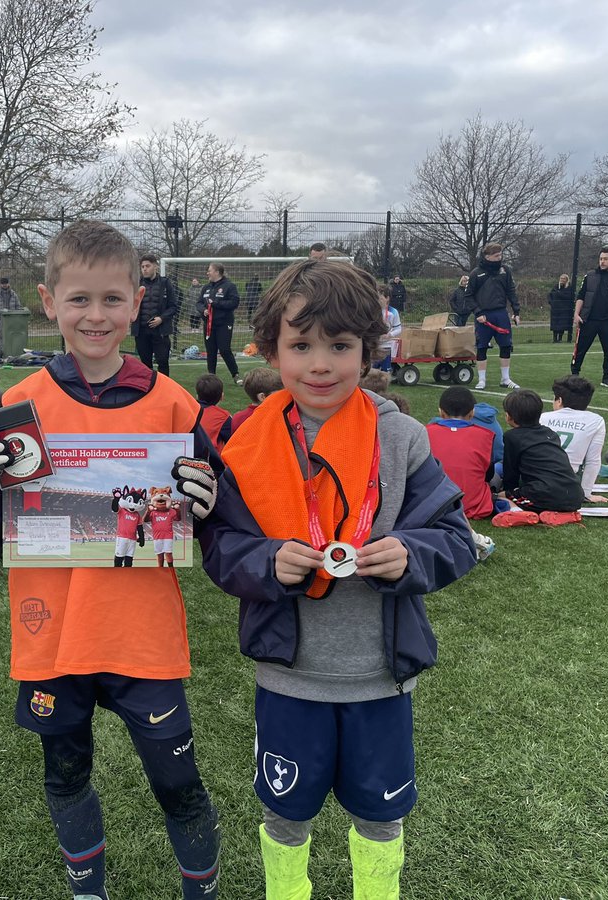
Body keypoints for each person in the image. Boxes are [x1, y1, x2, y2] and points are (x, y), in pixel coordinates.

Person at [190, 259, 475, 900]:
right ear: (271, 351)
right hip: (289, 676)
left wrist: (409, 554)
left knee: (380, 813)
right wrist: (267, 562)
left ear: (369, 352)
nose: (320, 364)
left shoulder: (403, 439)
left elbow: (456, 539)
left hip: (379, 676)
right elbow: (221, 548)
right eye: (301, 346)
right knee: (286, 815)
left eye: (340, 346)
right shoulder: (244, 442)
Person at [0, 220, 223, 900]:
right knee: (66, 777)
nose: (96, 316)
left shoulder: (174, 404)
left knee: (178, 783)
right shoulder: (18, 407)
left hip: (142, 634)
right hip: (55, 635)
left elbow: (217, 516)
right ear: (49, 302)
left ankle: (200, 890)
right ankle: (89, 893)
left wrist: (208, 498)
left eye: (112, 299)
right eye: (79, 300)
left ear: (138, 301)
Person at [492, 389, 584, 526]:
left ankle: (516, 511)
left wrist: (508, 491)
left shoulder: (512, 437)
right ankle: (563, 514)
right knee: (544, 494)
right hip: (575, 495)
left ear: (508, 416)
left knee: (498, 497)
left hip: (542, 494)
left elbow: (511, 471)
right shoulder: (550, 433)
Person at [426, 386, 506, 519]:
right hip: (473, 505)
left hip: (433, 506)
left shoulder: (425, 432)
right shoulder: (485, 435)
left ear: (441, 412)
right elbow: (488, 475)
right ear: (472, 413)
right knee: (497, 474)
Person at [540, 375, 607, 503]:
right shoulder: (596, 420)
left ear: (559, 400)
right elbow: (593, 460)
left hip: (537, 476)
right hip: (568, 481)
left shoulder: (544, 417)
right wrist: (586, 493)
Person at [465, 242, 520, 391]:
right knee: (481, 347)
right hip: (483, 315)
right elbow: (468, 296)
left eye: (501, 255)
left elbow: (511, 291)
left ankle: (505, 378)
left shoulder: (505, 271)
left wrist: (516, 311)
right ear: (487, 256)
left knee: (506, 345)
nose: (499, 258)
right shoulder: (476, 273)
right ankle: (482, 380)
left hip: (501, 313)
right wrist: (478, 312)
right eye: (496, 256)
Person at [572, 247, 608, 388]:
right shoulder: (590, 276)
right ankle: (574, 375)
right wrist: (576, 314)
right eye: (601, 258)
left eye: (606, 259)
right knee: (580, 349)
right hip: (588, 320)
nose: (602, 261)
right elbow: (581, 296)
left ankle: (607, 378)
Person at [134, 253, 179, 376]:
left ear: (155, 266)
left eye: (147, 266)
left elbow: (174, 306)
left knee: (163, 361)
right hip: (142, 331)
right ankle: (147, 388)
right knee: (145, 363)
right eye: (142, 266)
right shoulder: (136, 284)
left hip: (160, 331)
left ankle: (164, 388)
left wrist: (161, 318)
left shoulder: (165, 283)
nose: (144, 269)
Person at [199, 262, 242, 384]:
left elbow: (234, 303)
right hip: (208, 324)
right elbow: (199, 303)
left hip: (224, 323)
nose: (207, 273)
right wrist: (204, 310)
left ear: (217, 272)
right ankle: (211, 376)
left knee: (224, 349)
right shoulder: (206, 288)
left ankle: (235, 374)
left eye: (209, 270)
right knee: (210, 351)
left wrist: (216, 303)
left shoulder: (229, 286)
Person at [229, 367, 283, 436]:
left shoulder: (238, 418)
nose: (281, 397)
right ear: (262, 397)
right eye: (278, 395)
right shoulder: (275, 416)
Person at [195, 373, 232, 450]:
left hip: (185, 457)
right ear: (222, 397)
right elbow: (232, 442)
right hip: (211, 459)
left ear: (197, 396)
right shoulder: (223, 417)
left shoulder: (187, 410)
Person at [0, 276, 23, 355]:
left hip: (11, 319)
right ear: (0, 285)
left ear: (8, 284)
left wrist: (16, 316)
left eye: (6, 283)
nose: (4, 285)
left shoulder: (14, 294)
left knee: (11, 335)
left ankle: (10, 350)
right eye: (3, 284)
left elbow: (18, 306)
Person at [375, 282, 401, 373]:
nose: (378, 300)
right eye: (377, 297)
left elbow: (398, 329)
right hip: (374, 346)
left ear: (387, 298)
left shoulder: (393, 312)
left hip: (386, 347)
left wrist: (389, 335)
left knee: (385, 372)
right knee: (371, 372)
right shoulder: (372, 311)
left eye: (380, 298)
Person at [547, 274, 574, 343]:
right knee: (555, 324)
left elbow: (568, 297)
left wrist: (559, 294)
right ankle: (555, 339)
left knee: (561, 324)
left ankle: (560, 338)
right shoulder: (556, 287)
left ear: (566, 280)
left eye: (564, 279)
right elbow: (550, 295)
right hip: (555, 309)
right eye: (561, 278)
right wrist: (551, 302)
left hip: (564, 309)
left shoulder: (569, 288)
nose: (562, 280)